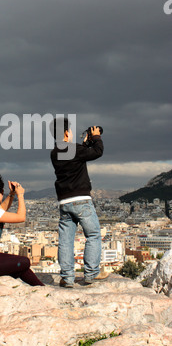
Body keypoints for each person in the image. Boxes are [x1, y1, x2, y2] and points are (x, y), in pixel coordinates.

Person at [50, 118, 108, 287]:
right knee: (93, 234)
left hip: (64, 201)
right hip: (81, 199)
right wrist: (96, 137)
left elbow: (76, 154)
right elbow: (97, 152)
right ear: (67, 133)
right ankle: (90, 274)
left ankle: (67, 278)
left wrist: (84, 145)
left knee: (66, 240)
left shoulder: (54, 153)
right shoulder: (76, 150)